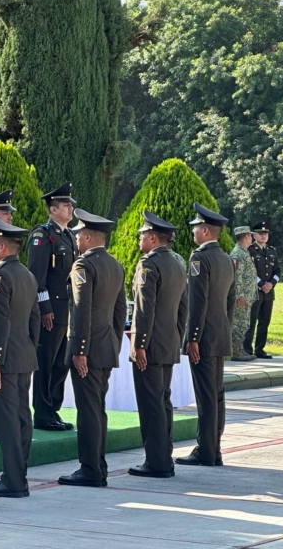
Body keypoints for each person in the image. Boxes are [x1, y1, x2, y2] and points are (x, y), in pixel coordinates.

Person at [58, 209, 126, 488]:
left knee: (88, 411)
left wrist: (80, 349)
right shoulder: (115, 264)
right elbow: (120, 311)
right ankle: (98, 465)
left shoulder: (83, 266)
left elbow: (80, 309)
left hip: (88, 348)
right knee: (97, 408)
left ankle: (90, 469)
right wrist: (115, 341)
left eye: (77, 234)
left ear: (87, 236)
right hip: (106, 345)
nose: (75, 239)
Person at [128, 211, 188, 479]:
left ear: (153, 237)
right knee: (163, 401)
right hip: (168, 342)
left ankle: (157, 462)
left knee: (151, 403)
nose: (140, 238)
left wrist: (138, 344)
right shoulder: (177, 264)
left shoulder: (149, 265)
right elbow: (183, 308)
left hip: (150, 345)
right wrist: (176, 335)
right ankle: (164, 456)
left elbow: (144, 309)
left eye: (143, 234)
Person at [0, 218, 40, 498]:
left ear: (3, 245)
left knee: (7, 421)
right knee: (21, 417)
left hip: (4, 359)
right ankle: (20, 474)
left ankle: (13, 480)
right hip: (24, 355)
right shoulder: (28, 275)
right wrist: (31, 347)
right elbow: (35, 320)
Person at [176, 203, 235, 467]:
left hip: (205, 336)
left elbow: (197, 302)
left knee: (206, 395)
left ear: (206, 230)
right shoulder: (225, 258)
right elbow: (230, 300)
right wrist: (225, 326)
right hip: (220, 331)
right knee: (217, 393)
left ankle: (206, 450)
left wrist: (193, 337)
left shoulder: (200, 258)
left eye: (196, 227)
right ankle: (215, 448)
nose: (193, 232)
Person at [27, 182, 79, 432]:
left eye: (70, 205)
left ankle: (53, 409)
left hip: (67, 309)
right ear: (53, 209)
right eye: (66, 205)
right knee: (46, 361)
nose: (70, 209)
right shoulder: (42, 235)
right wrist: (44, 307)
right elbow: (37, 276)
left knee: (61, 363)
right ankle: (43, 412)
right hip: (51, 311)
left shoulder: (68, 235)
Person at [244, 221, 279, 359]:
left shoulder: (272, 251)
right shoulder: (250, 250)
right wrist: (261, 284)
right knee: (251, 321)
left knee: (265, 321)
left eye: (266, 234)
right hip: (255, 291)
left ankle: (260, 349)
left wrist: (271, 284)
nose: (264, 236)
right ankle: (247, 349)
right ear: (254, 235)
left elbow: (277, 270)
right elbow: (249, 272)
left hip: (269, 292)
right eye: (260, 233)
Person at [230, 227, 258, 362]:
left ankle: (239, 348)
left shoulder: (244, 252)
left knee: (244, 323)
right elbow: (236, 277)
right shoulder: (238, 254)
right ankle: (236, 351)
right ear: (246, 236)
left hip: (247, 296)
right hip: (241, 297)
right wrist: (240, 295)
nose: (252, 238)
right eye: (250, 236)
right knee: (239, 323)